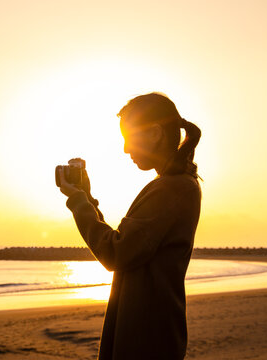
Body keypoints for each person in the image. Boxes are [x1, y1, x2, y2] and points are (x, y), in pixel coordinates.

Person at [57, 92, 202, 360]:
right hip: (151, 333)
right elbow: (126, 245)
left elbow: (116, 253)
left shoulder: (172, 188)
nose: (125, 149)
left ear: (155, 133)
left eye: (130, 137)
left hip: (146, 340)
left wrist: (79, 201)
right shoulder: (174, 185)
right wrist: (87, 199)